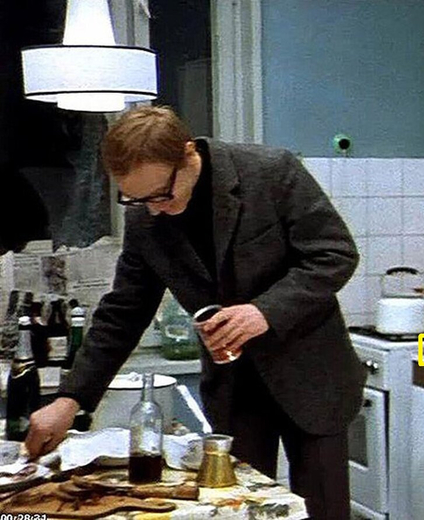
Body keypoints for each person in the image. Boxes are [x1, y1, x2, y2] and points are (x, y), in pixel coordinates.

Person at [25, 105, 366, 520]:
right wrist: (71, 398)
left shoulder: (271, 172)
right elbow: (123, 313)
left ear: (188, 154)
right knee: (235, 509)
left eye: (161, 195)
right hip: (234, 386)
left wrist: (264, 312)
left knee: (323, 511)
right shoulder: (145, 216)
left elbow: (334, 254)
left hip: (313, 378)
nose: (153, 209)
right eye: (136, 198)